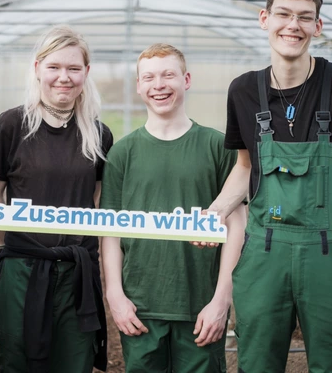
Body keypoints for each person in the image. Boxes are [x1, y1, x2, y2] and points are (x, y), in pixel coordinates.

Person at [208, 0, 332, 372]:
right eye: (284, 14)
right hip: (263, 254)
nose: (293, 25)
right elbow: (245, 168)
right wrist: (216, 211)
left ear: (317, 26)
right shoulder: (243, 91)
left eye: (305, 17)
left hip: (328, 254)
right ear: (265, 18)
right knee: (257, 362)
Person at [100, 43, 247, 373]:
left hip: (200, 307)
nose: (159, 85)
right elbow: (110, 232)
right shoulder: (123, 153)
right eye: (149, 77)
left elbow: (237, 224)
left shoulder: (217, 147)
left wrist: (222, 299)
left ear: (186, 80)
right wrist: (115, 295)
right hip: (140, 307)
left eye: (168, 75)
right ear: (139, 86)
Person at [0, 25, 113, 373]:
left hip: (77, 271)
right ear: (38, 68)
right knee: (18, 359)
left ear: (86, 72)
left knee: (74, 361)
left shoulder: (98, 134)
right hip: (22, 268)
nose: (63, 77)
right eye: (54, 67)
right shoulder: (12, 125)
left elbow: (96, 197)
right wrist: (3, 243)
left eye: (73, 68)